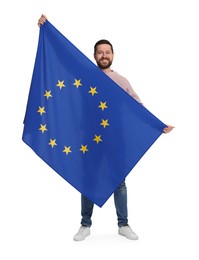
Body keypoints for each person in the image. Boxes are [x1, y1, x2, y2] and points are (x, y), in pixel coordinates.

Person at [38, 15, 174, 241]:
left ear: (112, 56)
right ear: (94, 56)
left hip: (114, 139)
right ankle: (85, 224)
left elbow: (138, 108)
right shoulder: (86, 77)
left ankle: (123, 224)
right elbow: (64, 60)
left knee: (119, 182)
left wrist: (157, 125)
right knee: (88, 179)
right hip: (89, 138)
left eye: (107, 52)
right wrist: (47, 29)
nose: (104, 55)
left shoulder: (122, 81)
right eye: (100, 52)